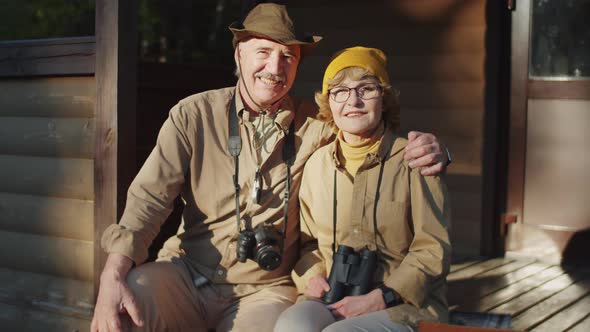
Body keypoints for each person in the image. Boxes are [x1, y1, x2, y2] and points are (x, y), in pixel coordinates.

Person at [91, 4, 449, 332]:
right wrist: (113, 272)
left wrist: (436, 149)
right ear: (239, 54)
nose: (275, 68)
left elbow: (366, 128)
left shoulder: (318, 125)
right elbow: (149, 200)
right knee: (126, 307)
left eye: (288, 56)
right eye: (263, 52)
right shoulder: (194, 115)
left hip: (266, 289)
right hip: (188, 274)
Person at [274, 47, 451, 332]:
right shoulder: (317, 164)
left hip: (402, 302)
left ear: (385, 98)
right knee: (292, 326)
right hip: (334, 295)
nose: (353, 101)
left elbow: (433, 247)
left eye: (366, 89)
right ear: (328, 103)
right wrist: (312, 276)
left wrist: (384, 295)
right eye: (340, 91)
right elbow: (310, 244)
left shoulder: (415, 158)